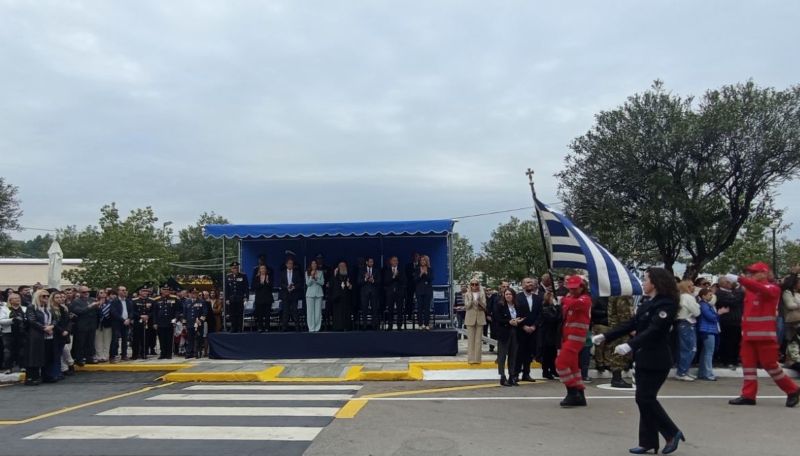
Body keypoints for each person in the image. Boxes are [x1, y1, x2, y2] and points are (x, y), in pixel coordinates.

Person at [594, 267, 685, 455]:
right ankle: (648, 441)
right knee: (643, 400)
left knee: (645, 398)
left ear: (656, 282)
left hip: (657, 359)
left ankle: (671, 432)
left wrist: (630, 345)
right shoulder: (647, 302)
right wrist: (606, 336)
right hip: (643, 357)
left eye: (646, 279)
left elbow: (655, 330)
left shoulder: (666, 304)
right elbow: (632, 323)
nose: (643, 283)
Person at [726, 262, 800, 408]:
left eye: (755, 272)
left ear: (764, 273)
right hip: (748, 336)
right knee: (748, 367)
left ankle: (792, 390)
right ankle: (748, 395)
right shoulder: (750, 290)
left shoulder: (772, 288)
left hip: (765, 336)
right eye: (750, 273)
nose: (751, 275)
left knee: (770, 365)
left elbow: (760, 289)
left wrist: (740, 279)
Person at [555, 275, 592, 407]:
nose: (572, 290)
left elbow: (574, 304)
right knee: (573, 367)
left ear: (582, 287)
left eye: (575, 288)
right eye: (570, 288)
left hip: (576, 338)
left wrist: (562, 299)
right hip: (567, 337)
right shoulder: (570, 298)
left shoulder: (585, 299)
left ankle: (573, 392)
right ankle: (580, 394)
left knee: (560, 364)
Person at [515, 277, 542, 382]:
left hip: (533, 330)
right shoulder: (517, 297)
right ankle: (516, 374)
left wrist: (534, 326)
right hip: (521, 329)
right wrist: (523, 326)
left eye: (531, 282)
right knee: (519, 353)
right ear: (522, 285)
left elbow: (540, 314)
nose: (529, 284)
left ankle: (526, 374)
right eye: (527, 282)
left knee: (529, 353)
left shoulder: (537, 298)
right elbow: (516, 313)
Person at [605, 296, 635, 388]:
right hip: (621, 329)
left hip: (616, 328)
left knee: (617, 352)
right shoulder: (623, 296)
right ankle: (617, 379)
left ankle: (617, 378)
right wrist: (630, 328)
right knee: (619, 354)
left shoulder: (616, 294)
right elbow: (624, 315)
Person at [697, 287, 727, 381]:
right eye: (709, 295)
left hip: (707, 330)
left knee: (705, 352)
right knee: (709, 353)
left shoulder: (705, 305)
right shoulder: (704, 305)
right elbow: (711, 317)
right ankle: (708, 374)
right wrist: (719, 313)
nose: (711, 297)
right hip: (708, 330)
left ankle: (702, 373)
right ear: (703, 296)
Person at [25, 289, 54, 385]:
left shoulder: (48, 308)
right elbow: (32, 320)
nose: (46, 297)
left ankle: (46, 375)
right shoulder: (32, 307)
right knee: (35, 357)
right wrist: (44, 328)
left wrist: (52, 326)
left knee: (47, 355)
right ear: (37, 297)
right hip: (36, 335)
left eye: (47, 296)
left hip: (48, 335)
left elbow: (55, 319)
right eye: (43, 296)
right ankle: (32, 377)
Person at [494, 288, 521, 386]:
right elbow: (497, 318)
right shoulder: (500, 305)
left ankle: (511, 376)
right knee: (502, 356)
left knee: (513, 355)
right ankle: (502, 376)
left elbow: (521, 315)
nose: (508, 296)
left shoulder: (517, 306)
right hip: (504, 332)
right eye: (506, 294)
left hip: (515, 332)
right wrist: (509, 322)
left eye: (510, 294)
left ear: (513, 295)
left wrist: (518, 321)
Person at [674, 280, 700, 381]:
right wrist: (697, 306)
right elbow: (697, 312)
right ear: (687, 287)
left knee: (684, 348)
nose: (694, 287)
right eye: (692, 285)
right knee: (689, 349)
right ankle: (682, 372)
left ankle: (683, 370)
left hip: (682, 323)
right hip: (687, 323)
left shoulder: (681, 297)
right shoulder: (688, 297)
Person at [715, 276, 743, 368]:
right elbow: (732, 302)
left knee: (736, 341)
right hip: (727, 321)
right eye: (727, 282)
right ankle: (726, 360)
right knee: (728, 342)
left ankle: (734, 360)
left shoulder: (733, 292)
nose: (729, 283)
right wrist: (740, 291)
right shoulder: (719, 293)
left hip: (737, 320)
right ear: (722, 283)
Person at [69, 286, 99, 366]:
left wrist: (98, 307)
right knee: (80, 343)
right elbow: (79, 311)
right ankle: (79, 359)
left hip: (92, 324)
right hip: (81, 325)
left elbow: (97, 312)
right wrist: (90, 306)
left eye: (87, 291)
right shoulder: (76, 301)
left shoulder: (92, 300)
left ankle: (89, 358)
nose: (86, 293)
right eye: (84, 292)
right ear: (79, 293)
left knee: (90, 342)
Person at [1, 293, 27, 374]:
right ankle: (8, 367)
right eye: (15, 298)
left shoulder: (24, 308)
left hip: (22, 332)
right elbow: (1, 320)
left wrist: (24, 320)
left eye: (18, 298)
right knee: (8, 351)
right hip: (8, 333)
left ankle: (22, 366)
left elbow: (28, 318)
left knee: (22, 350)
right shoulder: (4, 309)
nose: (17, 299)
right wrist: (12, 320)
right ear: (10, 300)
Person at [538, 291, 561, 380]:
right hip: (547, 334)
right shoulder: (545, 308)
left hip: (553, 333)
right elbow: (552, 318)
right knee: (547, 354)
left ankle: (553, 369)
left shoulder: (552, 307)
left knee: (553, 353)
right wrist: (558, 308)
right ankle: (545, 371)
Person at [463, 278, 487, 364]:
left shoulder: (482, 294)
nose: (474, 286)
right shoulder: (467, 294)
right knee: (470, 340)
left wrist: (479, 301)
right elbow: (466, 306)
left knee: (478, 340)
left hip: (480, 318)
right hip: (470, 318)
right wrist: (471, 300)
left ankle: (477, 359)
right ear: (470, 285)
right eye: (472, 284)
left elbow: (485, 306)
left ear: (478, 285)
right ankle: (471, 359)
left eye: (476, 284)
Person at [49, 291, 71, 380]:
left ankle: (59, 372)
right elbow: (53, 322)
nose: (59, 299)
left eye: (60, 297)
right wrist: (61, 331)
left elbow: (68, 321)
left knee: (59, 354)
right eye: (57, 297)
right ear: (52, 299)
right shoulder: (50, 309)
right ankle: (55, 373)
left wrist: (67, 330)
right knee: (55, 354)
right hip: (55, 333)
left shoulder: (63, 308)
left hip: (63, 334)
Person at [153, 285, 179, 359]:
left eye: (167, 290)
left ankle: (169, 354)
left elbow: (177, 310)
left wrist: (176, 318)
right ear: (161, 291)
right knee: (161, 338)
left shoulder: (174, 298)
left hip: (170, 322)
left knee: (169, 338)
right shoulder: (157, 299)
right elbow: (155, 312)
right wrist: (155, 322)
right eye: (164, 290)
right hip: (160, 322)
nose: (166, 291)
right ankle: (163, 353)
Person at [110, 286, 134, 363]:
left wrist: (129, 319)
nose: (124, 291)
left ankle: (124, 355)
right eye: (122, 290)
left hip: (126, 322)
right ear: (118, 292)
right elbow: (114, 312)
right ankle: (112, 356)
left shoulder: (128, 301)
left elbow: (131, 311)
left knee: (125, 340)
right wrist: (123, 320)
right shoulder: (114, 301)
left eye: (125, 290)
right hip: (117, 323)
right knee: (115, 340)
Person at [181, 289, 207, 359]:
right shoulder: (187, 302)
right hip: (189, 323)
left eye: (196, 293)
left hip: (198, 323)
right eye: (193, 293)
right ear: (190, 294)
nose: (194, 294)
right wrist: (184, 323)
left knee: (198, 338)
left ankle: (197, 352)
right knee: (190, 338)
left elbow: (204, 313)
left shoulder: (202, 302)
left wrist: (200, 320)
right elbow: (184, 313)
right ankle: (189, 353)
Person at [382, 256, 406, 331]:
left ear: (398, 262)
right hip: (390, 293)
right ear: (390, 262)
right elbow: (385, 282)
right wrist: (393, 277)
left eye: (396, 260)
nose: (395, 262)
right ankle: (390, 326)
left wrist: (398, 276)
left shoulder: (401, 270)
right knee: (390, 310)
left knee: (399, 310)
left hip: (399, 292)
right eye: (393, 260)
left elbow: (404, 281)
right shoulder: (387, 271)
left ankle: (399, 326)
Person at [225, 261, 249, 333]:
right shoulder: (228, 276)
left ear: (238, 268)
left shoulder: (243, 276)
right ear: (231, 269)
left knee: (239, 313)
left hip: (240, 298)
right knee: (232, 314)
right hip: (231, 298)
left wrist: (246, 297)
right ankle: (233, 327)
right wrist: (227, 298)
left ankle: (239, 327)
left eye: (236, 268)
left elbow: (246, 287)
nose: (235, 269)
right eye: (234, 268)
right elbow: (227, 289)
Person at [280, 258, 303, 332]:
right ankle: (284, 327)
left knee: (295, 310)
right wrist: (287, 287)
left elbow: (300, 283)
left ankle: (297, 327)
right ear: (286, 264)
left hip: (294, 294)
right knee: (285, 311)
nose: (290, 265)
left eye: (292, 264)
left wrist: (294, 287)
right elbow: (281, 283)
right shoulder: (282, 273)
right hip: (285, 294)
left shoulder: (296, 272)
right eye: (289, 263)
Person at [358, 257, 381, 330]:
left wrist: (373, 280)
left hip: (374, 292)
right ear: (366, 262)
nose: (371, 263)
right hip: (364, 292)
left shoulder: (376, 270)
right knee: (364, 309)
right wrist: (365, 279)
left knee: (374, 309)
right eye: (370, 262)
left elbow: (379, 281)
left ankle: (374, 326)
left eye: (372, 262)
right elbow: (359, 282)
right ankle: (364, 326)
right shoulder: (361, 270)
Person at [330, 261, 353, 331]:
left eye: (344, 266)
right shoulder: (335, 276)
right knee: (338, 313)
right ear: (338, 267)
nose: (343, 267)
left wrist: (349, 286)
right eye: (341, 266)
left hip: (346, 297)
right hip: (337, 298)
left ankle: (346, 326)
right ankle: (338, 327)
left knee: (346, 312)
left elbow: (352, 287)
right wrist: (334, 274)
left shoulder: (349, 276)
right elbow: (331, 285)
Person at [131, 286, 153, 360]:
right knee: (136, 338)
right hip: (137, 321)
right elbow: (132, 311)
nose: (145, 292)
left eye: (146, 291)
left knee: (146, 338)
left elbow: (153, 311)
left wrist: (148, 316)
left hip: (147, 322)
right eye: (143, 291)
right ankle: (135, 354)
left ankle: (144, 353)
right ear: (140, 292)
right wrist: (140, 316)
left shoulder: (151, 301)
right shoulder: (134, 301)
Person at [413, 255, 434, 330]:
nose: (422, 261)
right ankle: (420, 324)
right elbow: (415, 280)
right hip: (419, 291)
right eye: (421, 260)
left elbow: (431, 279)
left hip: (428, 291)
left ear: (426, 261)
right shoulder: (417, 269)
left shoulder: (430, 269)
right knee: (420, 308)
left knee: (427, 308)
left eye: (424, 260)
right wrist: (421, 274)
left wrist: (426, 273)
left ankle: (426, 324)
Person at [252, 264, 274, 333]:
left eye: (264, 268)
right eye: (261, 268)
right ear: (259, 270)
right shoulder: (256, 277)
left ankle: (267, 327)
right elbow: (253, 286)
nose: (263, 270)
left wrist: (267, 282)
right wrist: (261, 283)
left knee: (267, 314)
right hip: (259, 299)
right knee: (260, 314)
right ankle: (260, 327)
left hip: (268, 298)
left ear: (266, 270)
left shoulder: (269, 277)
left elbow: (272, 287)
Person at [781, 273, 800, 350]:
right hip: (792, 321)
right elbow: (790, 305)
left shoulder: (797, 293)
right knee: (792, 340)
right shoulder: (787, 292)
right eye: (798, 283)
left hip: (798, 319)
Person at [305, 260, 325, 332]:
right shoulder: (307, 272)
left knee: (318, 312)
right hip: (310, 294)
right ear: (310, 265)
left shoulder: (320, 272)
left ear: (317, 265)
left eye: (315, 263)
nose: (314, 265)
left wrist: (316, 279)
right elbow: (308, 283)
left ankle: (317, 328)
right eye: (312, 263)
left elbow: (322, 283)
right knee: (310, 312)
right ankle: (311, 328)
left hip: (319, 294)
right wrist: (311, 276)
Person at [94, 289, 112, 363]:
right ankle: (99, 356)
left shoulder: (110, 303)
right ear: (98, 294)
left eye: (104, 292)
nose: (103, 294)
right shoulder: (95, 303)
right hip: (98, 324)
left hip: (107, 324)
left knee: (107, 341)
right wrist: (98, 305)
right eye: (101, 293)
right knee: (98, 341)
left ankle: (105, 356)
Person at [404, 253, 420, 329]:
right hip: (410, 286)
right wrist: (413, 274)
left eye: (417, 256)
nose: (415, 258)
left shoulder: (421, 265)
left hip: (419, 286)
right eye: (414, 256)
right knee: (409, 300)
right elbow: (406, 275)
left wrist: (416, 275)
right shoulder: (408, 265)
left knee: (419, 300)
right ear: (412, 257)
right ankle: (409, 315)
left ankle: (419, 316)